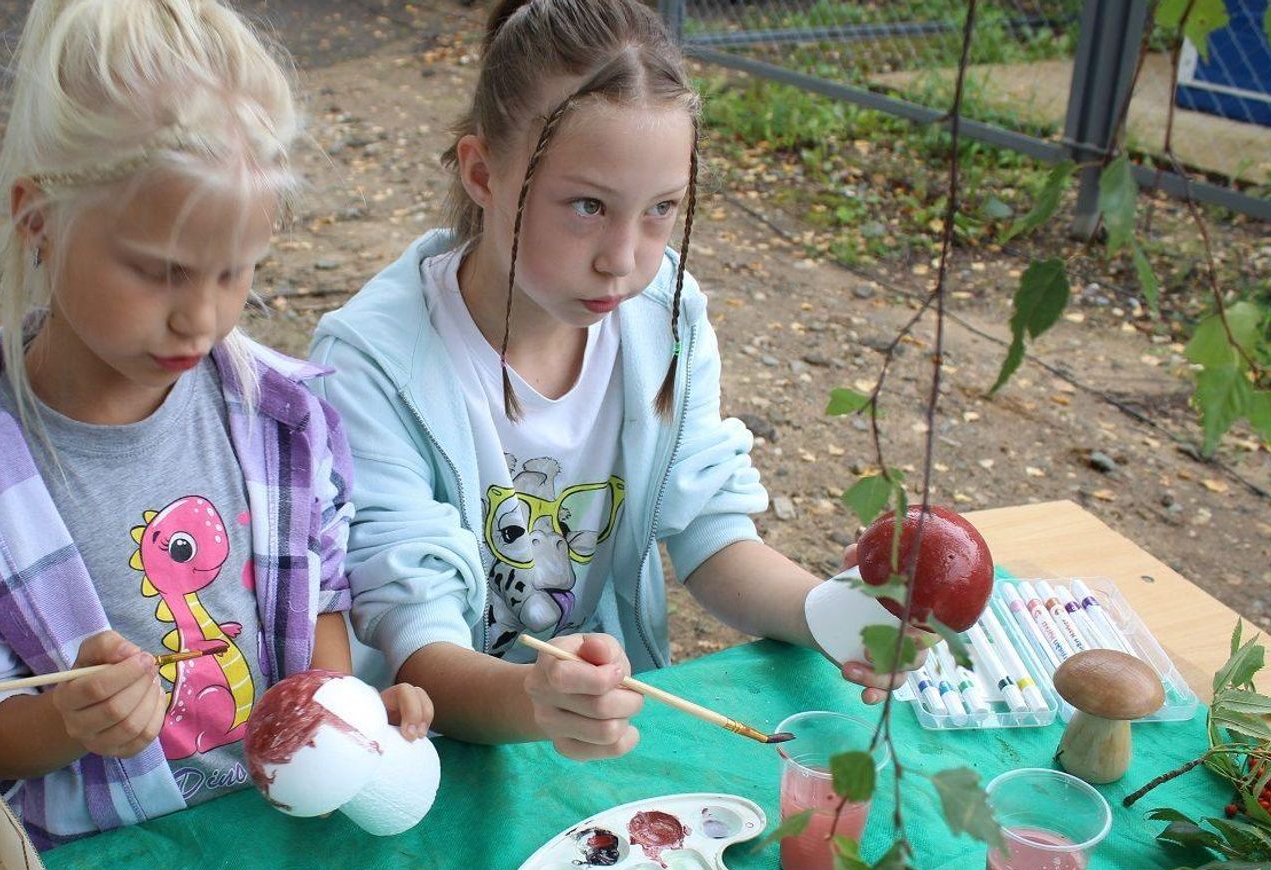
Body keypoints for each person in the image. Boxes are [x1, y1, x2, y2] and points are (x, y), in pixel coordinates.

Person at [0, 0, 429, 848]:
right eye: (161, 273)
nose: (201, 320)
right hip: (110, 850)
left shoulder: (285, 417)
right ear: (39, 222)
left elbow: (320, 591)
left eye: (235, 271)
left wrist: (338, 713)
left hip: (277, 826)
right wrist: (69, 721)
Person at [307, 0, 908, 762]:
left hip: (603, 726)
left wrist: (827, 611)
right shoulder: (369, 364)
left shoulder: (666, 321)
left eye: (661, 211)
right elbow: (413, 642)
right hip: (429, 749)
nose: (623, 258)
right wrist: (538, 701)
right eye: (587, 206)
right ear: (483, 172)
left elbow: (708, 530)